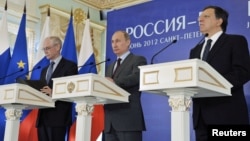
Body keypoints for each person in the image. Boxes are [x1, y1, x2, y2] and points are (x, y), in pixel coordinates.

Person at [189, 5, 250, 141]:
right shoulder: (195, 50)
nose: (200, 19)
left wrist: (214, 85)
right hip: (201, 118)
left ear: (219, 21)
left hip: (228, 114)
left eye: (206, 16)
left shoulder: (235, 41)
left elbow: (242, 72)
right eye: (200, 17)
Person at [104, 30, 147, 141]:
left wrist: (114, 82)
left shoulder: (138, 60)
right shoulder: (110, 66)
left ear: (128, 42)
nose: (114, 44)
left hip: (128, 120)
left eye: (118, 41)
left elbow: (137, 77)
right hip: (110, 123)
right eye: (112, 42)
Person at [36, 36, 78, 141]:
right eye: (44, 49)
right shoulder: (44, 70)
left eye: (47, 48)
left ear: (57, 47)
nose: (45, 51)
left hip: (58, 117)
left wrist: (54, 92)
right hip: (42, 117)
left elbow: (72, 89)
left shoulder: (70, 66)